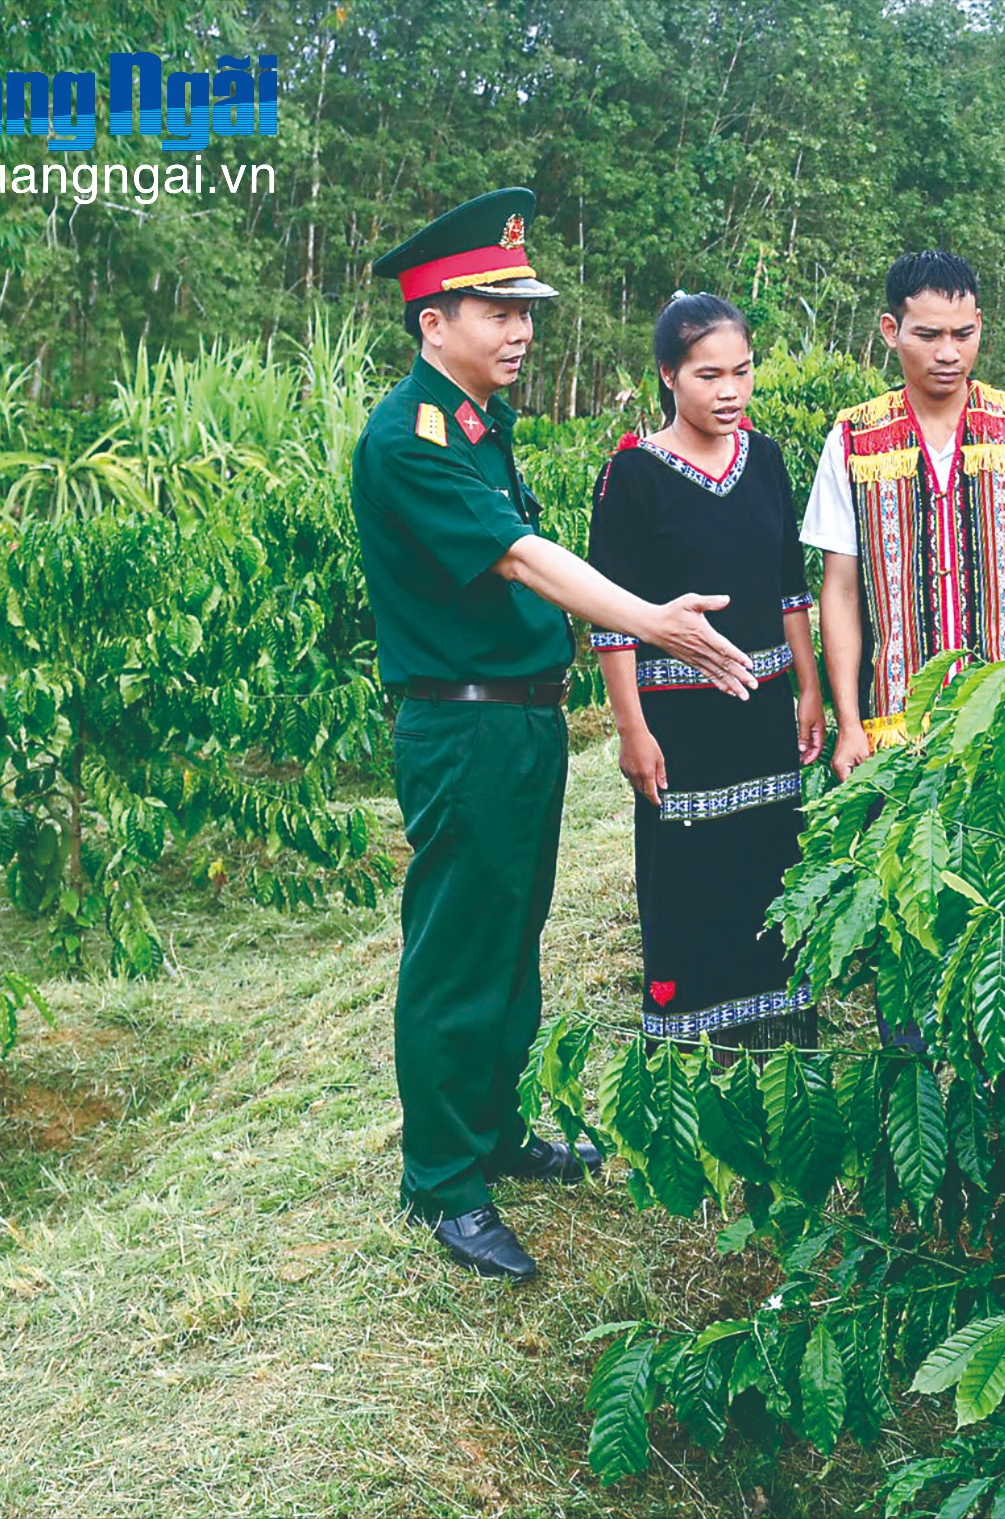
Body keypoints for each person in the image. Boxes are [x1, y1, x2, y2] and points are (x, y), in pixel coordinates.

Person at [354, 188, 761, 1282]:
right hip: (463, 728)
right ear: (433, 321)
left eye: (526, 309)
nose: (522, 329)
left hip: (520, 725)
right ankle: (442, 1179)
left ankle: (492, 1134)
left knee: (512, 938)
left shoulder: (481, 425)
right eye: (496, 309)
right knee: (457, 954)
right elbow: (525, 558)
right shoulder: (412, 438)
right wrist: (651, 619)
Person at [586, 294, 821, 1050]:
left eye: (743, 372)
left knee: (768, 860)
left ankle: (774, 1031)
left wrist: (808, 685)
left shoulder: (767, 459)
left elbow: (790, 586)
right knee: (688, 871)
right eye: (708, 374)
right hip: (679, 720)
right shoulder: (633, 474)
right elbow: (613, 617)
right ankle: (688, 1036)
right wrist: (632, 729)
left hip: (762, 708)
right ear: (668, 377)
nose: (729, 391)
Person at [800, 250, 1005, 779]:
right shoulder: (852, 439)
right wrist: (849, 722)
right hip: (894, 716)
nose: (948, 353)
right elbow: (839, 589)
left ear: (980, 325)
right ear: (891, 330)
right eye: (928, 336)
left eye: (963, 334)